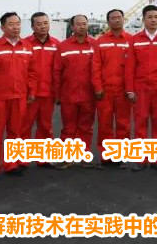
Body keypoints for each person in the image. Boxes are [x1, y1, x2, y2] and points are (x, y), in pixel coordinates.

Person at [0, 12, 37, 180]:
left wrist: (31, 91)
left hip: (20, 96)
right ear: (2, 27)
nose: (15, 27)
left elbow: (32, 72)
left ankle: (11, 164)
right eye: (11, 24)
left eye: (17, 24)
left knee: (16, 132)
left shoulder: (27, 47)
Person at [125, 5, 157, 171]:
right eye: (150, 17)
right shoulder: (135, 40)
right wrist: (130, 89)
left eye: (156, 17)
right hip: (140, 88)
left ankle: (156, 159)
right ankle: (140, 159)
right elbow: (130, 67)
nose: (153, 20)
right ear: (144, 19)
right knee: (140, 122)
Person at [93, 9, 132, 167]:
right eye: (113, 18)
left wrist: (131, 89)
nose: (116, 20)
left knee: (123, 124)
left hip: (124, 90)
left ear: (124, 19)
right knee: (105, 124)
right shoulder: (101, 41)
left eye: (119, 17)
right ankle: (106, 155)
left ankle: (120, 155)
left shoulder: (131, 40)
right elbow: (95, 66)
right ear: (108, 22)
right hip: (105, 90)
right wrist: (98, 87)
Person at [58, 15, 98, 168]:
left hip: (89, 94)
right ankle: (67, 157)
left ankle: (83, 155)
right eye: (78, 24)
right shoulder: (63, 46)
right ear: (72, 27)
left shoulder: (95, 45)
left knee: (86, 126)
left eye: (84, 23)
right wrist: (57, 94)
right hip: (69, 94)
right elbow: (57, 72)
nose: (82, 26)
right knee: (68, 127)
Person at [22, 13, 59, 163]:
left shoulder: (56, 45)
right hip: (29, 94)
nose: (43, 26)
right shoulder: (25, 44)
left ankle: (43, 159)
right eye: (39, 24)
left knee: (46, 127)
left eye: (45, 23)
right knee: (24, 127)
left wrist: (57, 92)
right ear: (32, 26)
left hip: (48, 93)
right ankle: (21, 160)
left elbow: (58, 70)